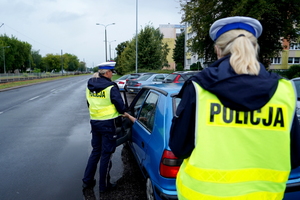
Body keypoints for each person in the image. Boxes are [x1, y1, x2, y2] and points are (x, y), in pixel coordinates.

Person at [169, 16, 300, 200]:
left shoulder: (199, 88)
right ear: (254, 48)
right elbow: (294, 157)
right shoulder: (285, 91)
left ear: (218, 50)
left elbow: (178, 147)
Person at [82, 64, 127, 200]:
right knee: (106, 154)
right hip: (108, 123)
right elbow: (120, 107)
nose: (112, 74)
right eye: (111, 72)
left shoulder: (90, 85)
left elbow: (89, 104)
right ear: (106, 73)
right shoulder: (110, 87)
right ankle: (104, 185)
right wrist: (124, 112)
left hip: (95, 122)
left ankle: (87, 181)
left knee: (96, 151)